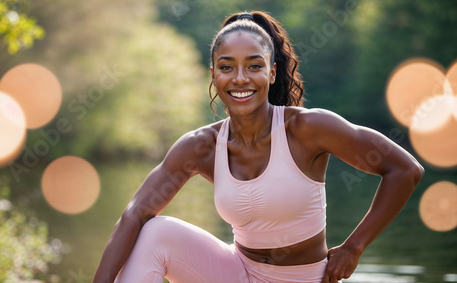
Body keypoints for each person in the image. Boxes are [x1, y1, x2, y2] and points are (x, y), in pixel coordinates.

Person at [93, 11, 424, 283]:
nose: (239, 79)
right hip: (236, 273)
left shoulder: (308, 129)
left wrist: (354, 247)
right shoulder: (202, 146)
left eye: (253, 66)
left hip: (304, 278)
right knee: (155, 231)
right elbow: (134, 213)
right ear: (213, 74)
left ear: (272, 72)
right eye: (226, 67)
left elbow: (404, 170)